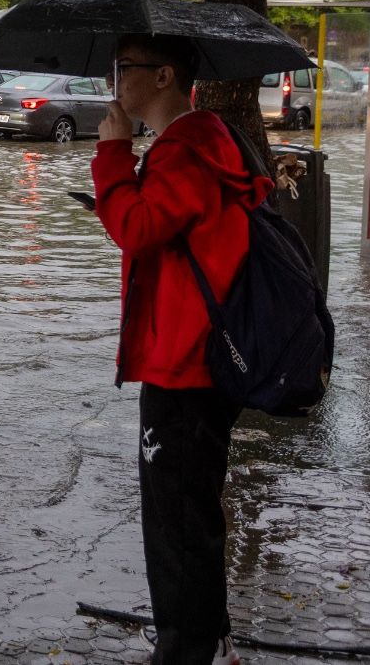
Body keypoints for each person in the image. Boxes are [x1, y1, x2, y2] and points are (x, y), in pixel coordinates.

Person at [91, 34, 272, 665]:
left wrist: (113, 154)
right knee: (190, 509)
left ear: (164, 76)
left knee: (175, 520)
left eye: (124, 68)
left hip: (187, 360)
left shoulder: (185, 151)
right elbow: (163, 233)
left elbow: (139, 230)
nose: (115, 80)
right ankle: (206, 637)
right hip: (196, 352)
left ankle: (186, 650)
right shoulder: (200, 143)